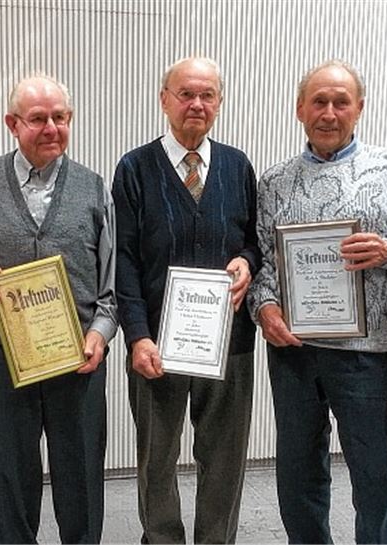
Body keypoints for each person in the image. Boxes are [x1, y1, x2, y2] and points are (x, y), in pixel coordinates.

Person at [246, 59, 387, 544]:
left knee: (374, 479)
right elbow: (262, 262)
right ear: (300, 109)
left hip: (370, 354)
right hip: (294, 353)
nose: (329, 112)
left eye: (340, 102)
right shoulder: (273, 182)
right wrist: (265, 308)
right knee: (298, 475)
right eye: (319, 102)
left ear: (359, 108)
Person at [113, 56, 259, 544]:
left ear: (219, 102)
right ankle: (162, 539)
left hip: (230, 342)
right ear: (164, 100)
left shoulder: (238, 167)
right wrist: (137, 336)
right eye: (185, 94)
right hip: (156, 345)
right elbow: (125, 261)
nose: (196, 104)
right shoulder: (134, 168)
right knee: (157, 457)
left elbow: (254, 242)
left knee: (224, 456)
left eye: (208, 95)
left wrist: (247, 262)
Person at [0, 74, 117, 544]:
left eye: (60, 117)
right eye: (38, 119)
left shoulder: (94, 188)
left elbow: (111, 281)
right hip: (4, 354)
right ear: (13, 123)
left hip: (79, 355)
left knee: (82, 475)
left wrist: (101, 334)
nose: (51, 127)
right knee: (12, 473)